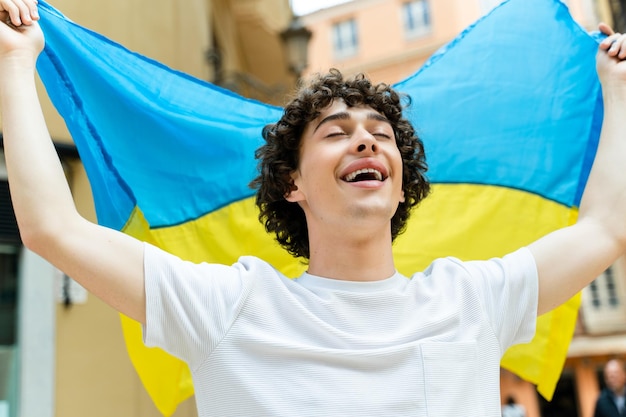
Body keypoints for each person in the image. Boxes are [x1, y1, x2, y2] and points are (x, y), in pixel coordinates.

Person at [2, 0, 626, 415]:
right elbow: (52, 228)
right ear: (293, 184)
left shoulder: (472, 298)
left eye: (381, 133)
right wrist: (13, 61)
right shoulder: (232, 306)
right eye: (336, 131)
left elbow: (607, 226)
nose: (365, 138)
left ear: (400, 183)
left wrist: (618, 91)